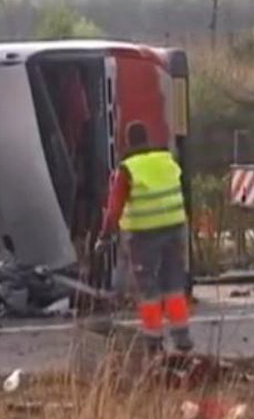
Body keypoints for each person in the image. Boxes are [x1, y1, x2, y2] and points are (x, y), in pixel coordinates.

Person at [96, 122, 194, 354]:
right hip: (174, 227)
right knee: (173, 284)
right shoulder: (166, 160)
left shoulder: (128, 168)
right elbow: (183, 190)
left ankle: (153, 341)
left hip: (144, 234)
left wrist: (104, 236)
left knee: (148, 287)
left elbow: (114, 207)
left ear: (128, 142)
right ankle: (182, 337)